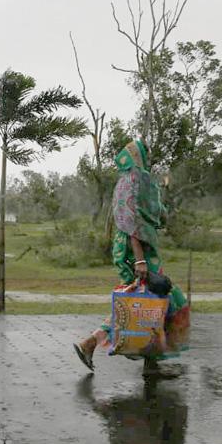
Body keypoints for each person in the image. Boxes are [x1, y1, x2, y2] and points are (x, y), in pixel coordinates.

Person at [73, 140, 190, 375]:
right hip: (137, 252)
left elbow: (151, 215)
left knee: (146, 302)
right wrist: (140, 260)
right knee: (153, 301)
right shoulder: (137, 181)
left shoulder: (124, 182)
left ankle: (150, 362)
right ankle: (92, 343)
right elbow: (131, 222)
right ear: (142, 157)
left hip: (127, 251)